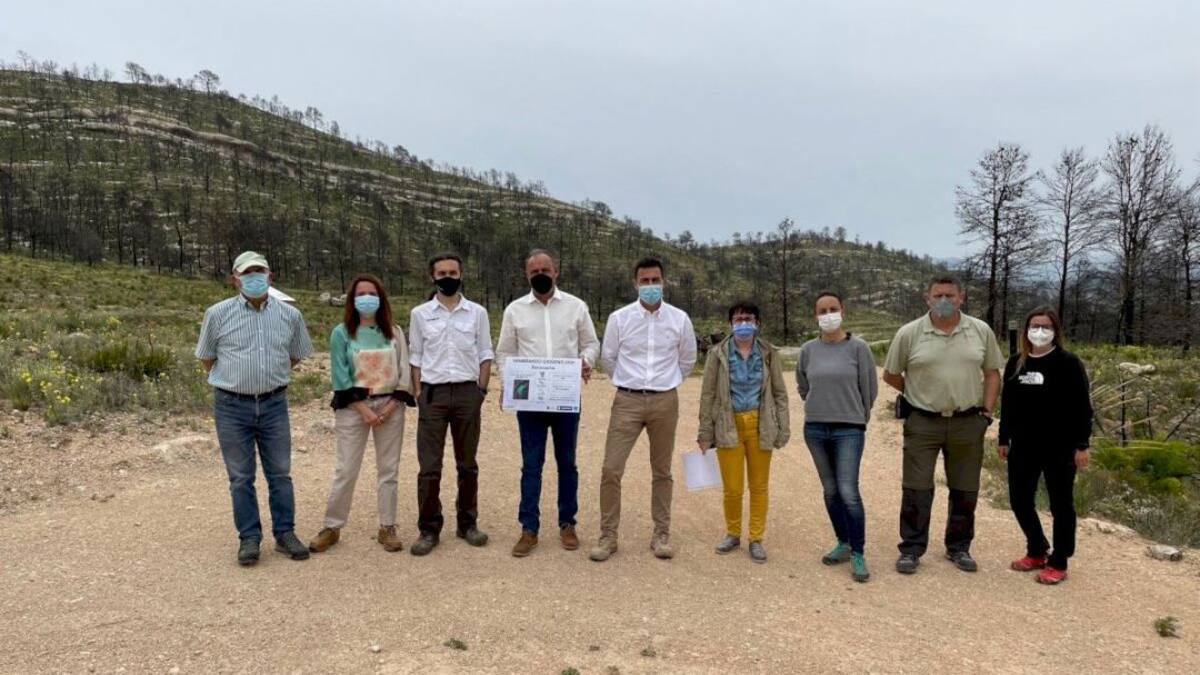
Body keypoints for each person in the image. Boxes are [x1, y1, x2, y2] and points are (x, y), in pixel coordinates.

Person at [195, 251, 315, 566]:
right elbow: (207, 357)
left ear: (270, 275)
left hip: (274, 404)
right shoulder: (217, 314)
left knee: (280, 473)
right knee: (240, 477)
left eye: (259, 271)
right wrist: (236, 380)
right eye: (247, 272)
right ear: (235, 278)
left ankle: (285, 534)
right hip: (232, 407)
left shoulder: (290, 316)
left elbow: (297, 353)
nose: (254, 276)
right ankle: (249, 538)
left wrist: (270, 375)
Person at [882, 275, 1004, 574]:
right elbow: (891, 374)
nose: (944, 301)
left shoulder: (979, 331)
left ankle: (959, 547)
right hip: (923, 421)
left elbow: (992, 372)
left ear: (961, 298)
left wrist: (987, 412)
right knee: (916, 487)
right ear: (927, 299)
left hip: (968, 421)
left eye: (950, 295)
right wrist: (918, 394)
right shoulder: (909, 333)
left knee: (965, 488)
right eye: (938, 295)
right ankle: (911, 548)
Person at [590, 256, 697, 562]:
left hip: (665, 400)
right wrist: (629, 383)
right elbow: (608, 359)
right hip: (627, 400)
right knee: (611, 468)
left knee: (662, 470)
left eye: (655, 280)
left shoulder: (680, 319)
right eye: (645, 281)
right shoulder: (619, 318)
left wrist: (668, 381)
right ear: (635, 283)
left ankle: (661, 534)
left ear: (664, 282)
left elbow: (687, 359)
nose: (650, 286)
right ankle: (608, 536)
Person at [495, 249, 600, 557]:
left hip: (565, 396)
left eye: (545, 269)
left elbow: (591, 343)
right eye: (533, 271)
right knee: (531, 465)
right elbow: (504, 352)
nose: (540, 274)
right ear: (526, 275)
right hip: (531, 399)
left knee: (567, 463)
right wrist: (508, 382)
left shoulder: (576, 307)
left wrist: (586, 361)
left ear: (556, 272)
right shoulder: (515, 310)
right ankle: (529, 528)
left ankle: (567, 523)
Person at [308, 274, 416, 554]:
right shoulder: (341, 333)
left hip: (391, 406)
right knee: (346, 469)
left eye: (372, 293)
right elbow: (340, 376)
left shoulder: (395, 331)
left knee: (388, 470)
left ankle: (388, 526)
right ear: (352, 299)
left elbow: (404, 373)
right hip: (354, 408)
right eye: (360, 293)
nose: (366, 298)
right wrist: (364, 409)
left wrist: (391, 406)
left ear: (381, 298)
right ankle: (332, 526)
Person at [406, 253, 495, 556]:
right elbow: (415, 356)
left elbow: (485, 352)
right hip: (433, 394)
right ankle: (429, 529)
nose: (448, 276)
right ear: (432, 277)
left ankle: (467, 523)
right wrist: (419, 393)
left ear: (461, 274)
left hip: (468, 393)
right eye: (441, 272)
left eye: (453, 271)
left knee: (467, 464)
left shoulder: (477, 312)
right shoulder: (420, 313)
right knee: (429, 467)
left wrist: (480, 391)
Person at [999, 307, 1092, 585]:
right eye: (1034, 325)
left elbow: (1082, 407)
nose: (1039, 331)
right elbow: (1009, 405)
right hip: (1024, 446)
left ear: (1055, 331)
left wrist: (1082, 444)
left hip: (1060, 447)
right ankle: (1037, 549)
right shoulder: (1016, 362)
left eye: (1045, 326)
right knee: (1019, 500)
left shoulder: (1068, 363)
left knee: (1060, 504)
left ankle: (1060, 560)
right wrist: (1004, 438)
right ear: (1026, 330)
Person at [697, 301, 790, 564]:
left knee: (759, 486)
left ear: (758, 323)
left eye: (749, 318)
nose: (743, 323)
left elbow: (780, 393)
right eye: (738, 319)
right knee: (733, 487)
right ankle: (733, 532)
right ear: (730, 324)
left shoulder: (769, 353)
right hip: (728, 424)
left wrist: (783, 427)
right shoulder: (718, 354)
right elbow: (708, 394)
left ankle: (756, 538)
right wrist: (705, 432)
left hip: (761, 424)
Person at [796, 292, 878, 581]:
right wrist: (819, 406)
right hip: (816, 428)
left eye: (833, 309)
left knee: (848, 491)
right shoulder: (808, 350)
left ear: (843, 310)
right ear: (815, 316)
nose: (828, 314)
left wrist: (856, 415)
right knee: (830, 490)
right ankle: (843, 542)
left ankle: (858, 552)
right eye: (822, 310)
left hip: (848, 429)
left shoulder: (859, 348)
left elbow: (869, 389)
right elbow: (803, 385)